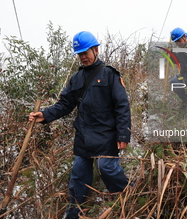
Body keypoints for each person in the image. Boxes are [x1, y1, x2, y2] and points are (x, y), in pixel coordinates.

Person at [29, 31, 131, 219]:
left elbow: (122, 105)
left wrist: (123, 135)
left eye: (86, 52)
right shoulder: (76, 78)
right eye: (80, 54)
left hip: (107, 135)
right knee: (78, 178)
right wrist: (44, 114)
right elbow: (65, 104)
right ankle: (74, 213)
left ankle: (127, 199)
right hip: (84, 137)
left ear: (96, 50)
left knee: (107, 168)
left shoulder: (109, 74)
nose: (83, 57)